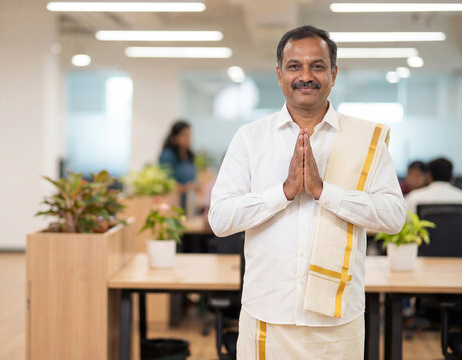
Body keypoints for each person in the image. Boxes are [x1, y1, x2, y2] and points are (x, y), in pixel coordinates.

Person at [208, 25, 406, 359]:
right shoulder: (251, 138)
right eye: (294, 66)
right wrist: (283, 192)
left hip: (337, 323)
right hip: (267, 317)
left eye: (317, 65)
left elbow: (393, 217)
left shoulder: (363, 140)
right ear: (279, 74)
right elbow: (220, 219)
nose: (306, 76)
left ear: (333, 73)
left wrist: (323, 192)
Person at [159, 120, 197, 209]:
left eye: (189, 134)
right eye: (184, 135)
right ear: (174, 137)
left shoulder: (189, 156)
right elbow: (167, 184)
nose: (188, 138)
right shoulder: (167, 156)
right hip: (173, 204)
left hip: (188, 203)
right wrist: (186, 188)